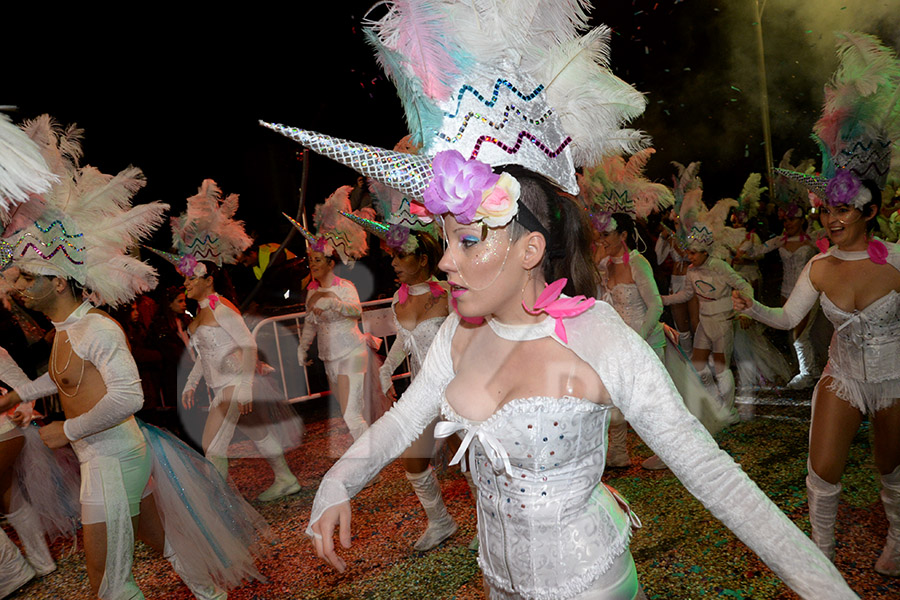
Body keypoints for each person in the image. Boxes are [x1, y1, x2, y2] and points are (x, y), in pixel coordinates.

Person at [265, 2, 857, 597]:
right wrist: (336, 481)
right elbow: (400, 424)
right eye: (445, 238)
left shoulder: (599, 336)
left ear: (531, 250)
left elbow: (711, 472)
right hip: (498, 582)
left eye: (468, 238)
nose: (446, 259)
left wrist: (825, 587)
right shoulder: (456, 336)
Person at [0, 117, 272, 599]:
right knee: (160, 542)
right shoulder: (68, 330)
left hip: (112, 456)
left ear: (58, 280)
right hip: (110, 453)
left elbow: (129, 395)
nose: (17, 289)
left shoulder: (96, 327)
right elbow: (65, 380)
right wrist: (18, 396)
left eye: (26, 278)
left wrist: (65, 430)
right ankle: (210, 595)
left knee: (109, 584)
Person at [734, 30, 900, 576]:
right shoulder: (819, 266)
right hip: (843, 376)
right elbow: (787, 318)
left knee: (890, 466)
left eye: (844, 210)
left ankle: (897, 542)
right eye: (826, 209)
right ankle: (821, 558)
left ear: (869, 210)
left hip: (896, 377)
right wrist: (750, 307)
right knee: (822, 468)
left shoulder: (896, 260)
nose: (831, 219)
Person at [182, 261, 302, 500]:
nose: (185, 283)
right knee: (258, 434)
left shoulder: (221, 309)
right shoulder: (202, 310)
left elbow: (248, 345)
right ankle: (286, 478)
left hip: (235, 383)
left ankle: (222, 508)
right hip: (224, 386)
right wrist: (191, 383)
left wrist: (246, 386)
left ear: (209, 281)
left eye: (191, 278)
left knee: (212, 446)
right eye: (185, 279)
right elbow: (205, 354)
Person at [377, 227, 457, 550]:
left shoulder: (449, 293)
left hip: (453, 390)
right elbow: (404, 341)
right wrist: (385, 370)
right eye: (393, 256)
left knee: (467, 462)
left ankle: (488, 525)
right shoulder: (399, 299)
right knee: (413, 461)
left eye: (401, 256)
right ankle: (441, 521)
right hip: (423, 393)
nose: (394, 263)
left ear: (423, 259)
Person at [287, 186, 382, 443]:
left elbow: (355, 312)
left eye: (317, 261)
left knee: (351, 414)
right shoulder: (311, 292)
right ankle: (370, 447)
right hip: (329, 357)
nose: (313, 265)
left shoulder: (345, 288)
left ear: (330, 262)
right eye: (311, 261)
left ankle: (369, 457)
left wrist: (331, 300)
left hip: (352, 352)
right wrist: (303, 348)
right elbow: (310, 323)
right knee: (347, 411)